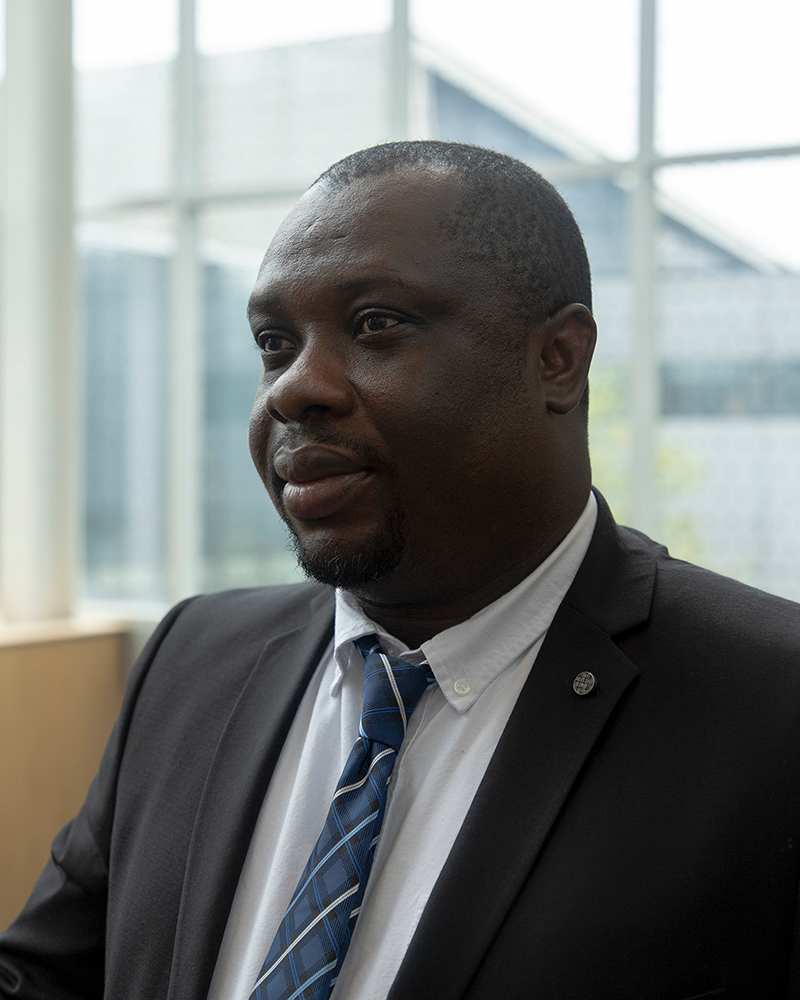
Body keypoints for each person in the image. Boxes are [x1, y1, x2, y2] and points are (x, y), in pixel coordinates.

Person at [2, 141, 800, 1000]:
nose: (292, 390)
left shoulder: (770, 706)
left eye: (376, 323)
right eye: (274, 343)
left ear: (557, 360)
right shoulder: (194, 658)